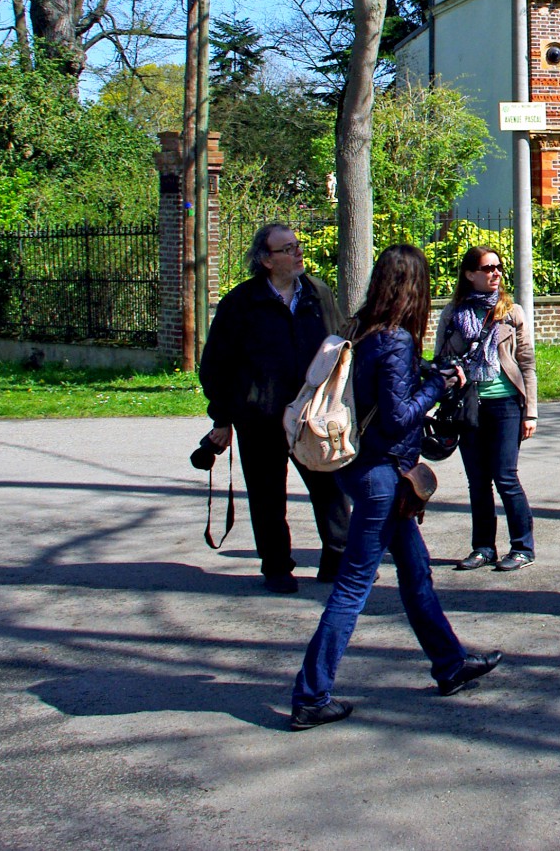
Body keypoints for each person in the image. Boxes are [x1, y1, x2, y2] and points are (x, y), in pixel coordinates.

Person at [290, 244, 501, 731]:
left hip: (362, 466)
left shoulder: (361, 327)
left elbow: (382, 393)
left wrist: (424, 376)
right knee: (353, 587)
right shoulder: (396, 340)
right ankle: (310, 694)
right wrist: (441, 386)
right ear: (413, 288)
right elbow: (399, 413)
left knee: (416, 570)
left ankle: (449, 663)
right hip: (381, 475)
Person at [198, 221, 350, 593]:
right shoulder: (241, 303)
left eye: (297, 246)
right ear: (266, 259)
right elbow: (216, 365)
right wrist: (223, 417)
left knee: (328, 486)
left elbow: (339, 346)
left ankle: (337, 559)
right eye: (287, 249)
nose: (297, 252)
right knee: (267, 496)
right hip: (260, 418)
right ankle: (277, 566)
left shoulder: (318, 294)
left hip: (310, 415)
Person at [435, 245, 538, 572]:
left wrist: (531, 411)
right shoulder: (452, 313)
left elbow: (527, 364)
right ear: (469, 274)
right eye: (487, 268)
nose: (495, 273)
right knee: (477, 480)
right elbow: (439, 361)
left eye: (498, 267)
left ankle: (522, 547)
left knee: (505, 476)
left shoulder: (511, 312)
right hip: (469, 404)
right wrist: (448, 379)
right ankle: (483, 547)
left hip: (506, 403)